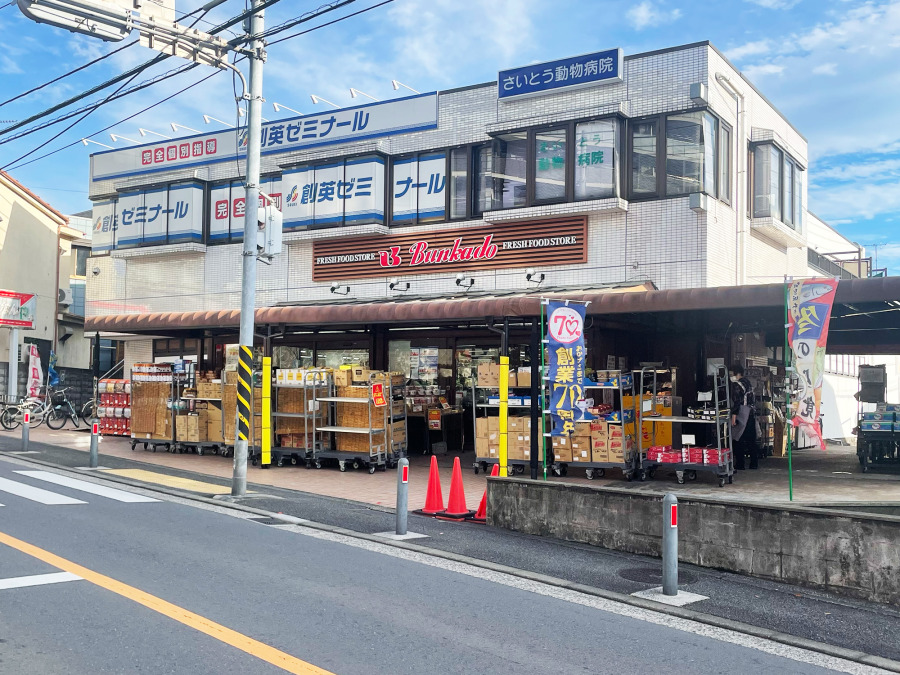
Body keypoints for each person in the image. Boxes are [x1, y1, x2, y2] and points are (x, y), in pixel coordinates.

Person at [729, 364, 758, 470]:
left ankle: (740, 464)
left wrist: (733, 417)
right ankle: (754, 463)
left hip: (742, 414)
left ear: (736, 373)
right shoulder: (748, 383)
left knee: (737, 438)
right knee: (751, 440)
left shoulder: (737, 385)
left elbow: (737, 401)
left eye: (732, 373)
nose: (731, 376)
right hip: (751, 413)